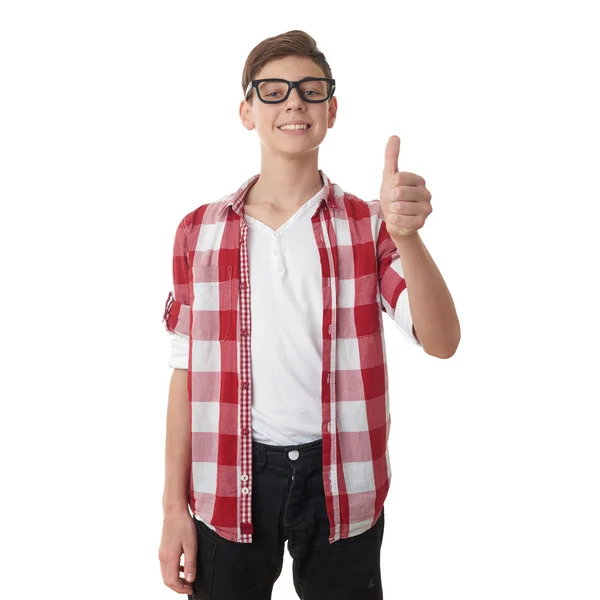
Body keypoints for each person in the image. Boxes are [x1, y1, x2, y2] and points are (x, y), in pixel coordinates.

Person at [158, 29, 460, 600]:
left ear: (331, 109)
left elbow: (442, 340)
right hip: (229, 478)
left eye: (310, 89)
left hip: (343, 479)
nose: (293, 102)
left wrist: (408, 239)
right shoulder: (199, 231)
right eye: (272, 91)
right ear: (246, 112)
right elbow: (184, 375)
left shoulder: (368, 226)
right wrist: (175, 508)